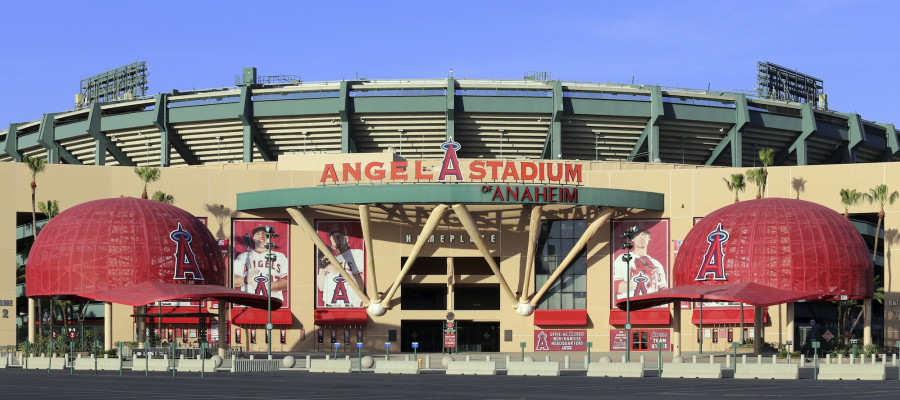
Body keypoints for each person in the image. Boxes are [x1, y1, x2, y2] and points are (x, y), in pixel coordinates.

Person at [233, 225, 289, 302]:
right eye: (257, 234)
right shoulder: (243, 257)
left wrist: (265, 286)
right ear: (253, 238)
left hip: (273, 302)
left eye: (264, 233)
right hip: (248, 303)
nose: (261, 235)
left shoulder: (280, 256)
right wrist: (246, 279)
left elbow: (287, 282)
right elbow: (232, 281)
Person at [613, 228, 667, 301]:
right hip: (629, 307)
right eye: (637, 235)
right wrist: (644, 280)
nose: (641, 237)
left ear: (649, 238)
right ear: (632, 239)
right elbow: (616, 287)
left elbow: (663, 291)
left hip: (651, 308)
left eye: (644, 234)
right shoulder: (623, 258)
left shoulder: (657, 264)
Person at [317, 230, 365, 307]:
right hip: (330, 306)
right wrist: (322, 267)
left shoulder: (356, 253)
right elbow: (321, 287)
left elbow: (362, 284)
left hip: (351, 306)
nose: (335, 240)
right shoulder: (330, 259)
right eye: (333, 237)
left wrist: (337, 270)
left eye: (338, 236)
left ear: (346, 238)